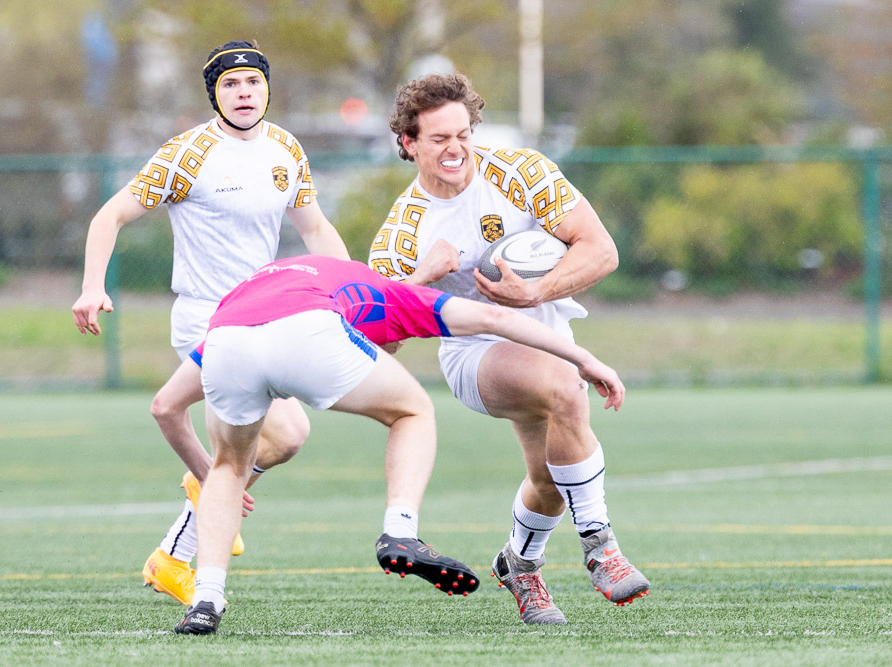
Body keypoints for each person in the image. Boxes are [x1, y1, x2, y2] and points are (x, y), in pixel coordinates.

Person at [171, 254, 625, 634]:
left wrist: (210, 479)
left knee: (229, 468)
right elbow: (494, 317)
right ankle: (401, 532)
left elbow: (164, 407)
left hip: (224, 337)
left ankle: (206, 601)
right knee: (413, 411)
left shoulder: (270, 288)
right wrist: (584, 359)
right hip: (306, 330)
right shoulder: (385, 292)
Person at [71, 40, 350, 606]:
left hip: (267, 312)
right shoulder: (187, 153)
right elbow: (110, 215)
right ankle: (198, 512)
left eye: (252, 82)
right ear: (214, 95)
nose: (243, 93)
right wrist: (92, 286)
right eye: (229, 85)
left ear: (267, 89)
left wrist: (350, 292)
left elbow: (315, 228)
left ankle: (177, 544)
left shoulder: (285, 149)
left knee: (285, 439)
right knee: (276, 437)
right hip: (207, 317)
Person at [368, 72, 650, 625]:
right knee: (563, 386)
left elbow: (601, 251)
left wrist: (536, 292)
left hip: (546, 336)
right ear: (408, 143)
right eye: (438, 139)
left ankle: (521, 565)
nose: (456, 149)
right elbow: (384, 339)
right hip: (474, 356)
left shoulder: (520, 172)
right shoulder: (403, 232)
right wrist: (422, 277)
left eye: (463, 133)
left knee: (548, 483)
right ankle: (601, 546)